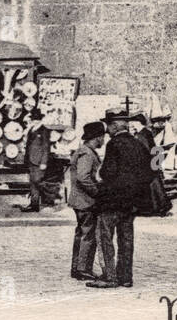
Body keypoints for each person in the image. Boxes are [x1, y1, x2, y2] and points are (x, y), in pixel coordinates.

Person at [88, 110, 148, 288]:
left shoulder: (114, 144)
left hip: (112, 201)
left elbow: (108, 172)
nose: (107, 130)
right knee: (126, 240)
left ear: (115, 125)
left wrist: (100, 177)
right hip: (131, 202)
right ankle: (126, 277)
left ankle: (110, 277)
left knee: (105, 238)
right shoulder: (138, 144)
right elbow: (148, 171)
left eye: (108, 126)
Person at [68, 120, 105, 281]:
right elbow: (83, 177)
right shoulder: (87, 153)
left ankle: (77, 267)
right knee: (88, 235)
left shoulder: (83, 150)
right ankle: (83, 269)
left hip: (80, 200)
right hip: (86, 201)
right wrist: (97, 193)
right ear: (97, 137)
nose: (103, 141)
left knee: (81, 234)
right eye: (102, 137)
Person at [129, 114, 171, 217]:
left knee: (152, 187)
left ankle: (155, 208)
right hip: (152, 163)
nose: (132, 125)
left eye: (133, 123)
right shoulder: (145, 133)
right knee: (155, 186)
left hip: (147, 165)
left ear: (138, 123)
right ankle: (160, 208)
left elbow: (144, 150)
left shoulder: (142, 135)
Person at [20, 108, 52, 212]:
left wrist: (44, 162)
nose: (34, 121)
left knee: (37, 182)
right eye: (33, 119)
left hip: (39, 162)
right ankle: (34, 205)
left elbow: (46, 147)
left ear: (39, 120)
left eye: (36, 119)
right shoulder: (31, 130)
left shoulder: (44, 130)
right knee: (33, 182)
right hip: (31, 160)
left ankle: (42, 203)